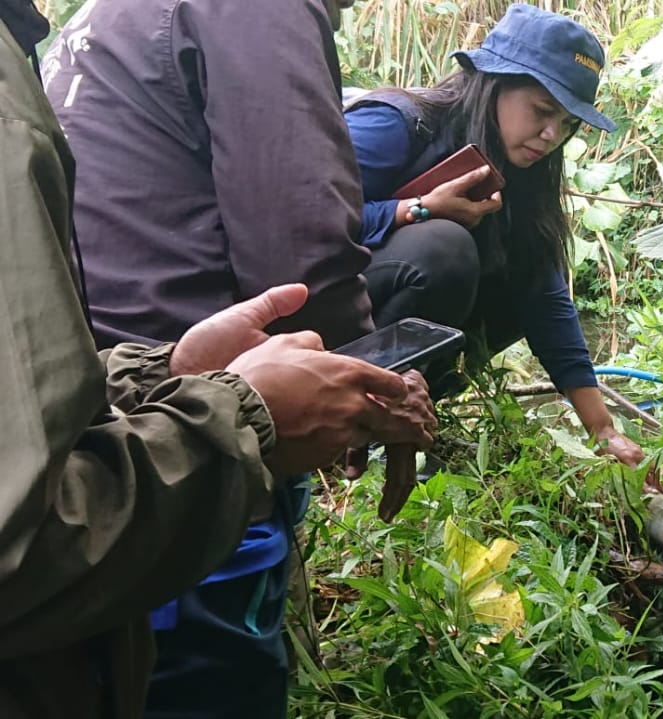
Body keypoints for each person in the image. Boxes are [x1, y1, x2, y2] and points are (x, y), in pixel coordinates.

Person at [0, 2, 434, 716]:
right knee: (215, 666)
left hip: (116, 366)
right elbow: (303, 250)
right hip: (144, 467)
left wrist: (161, 367)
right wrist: (337, 396)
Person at [343, 4, 644, 467]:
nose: (550, 136)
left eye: (566, 126)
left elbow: (545, 300)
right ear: (493, 82)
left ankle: (404, 419)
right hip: (321, 317)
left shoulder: (522, 168)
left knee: (530, 274)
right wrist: (412, 210)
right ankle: (351, 409)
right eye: (543, 112)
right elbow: (289, 216)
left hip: (388, 324)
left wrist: (604, 431)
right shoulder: (398, 123)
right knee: (444, 246)